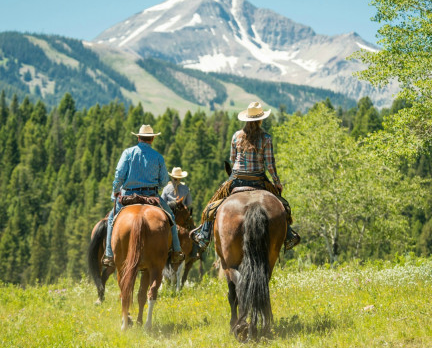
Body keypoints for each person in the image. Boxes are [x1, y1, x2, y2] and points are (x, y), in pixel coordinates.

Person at [191, 101, 300, 252]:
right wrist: (277, 182)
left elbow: (232, 158)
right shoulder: (266, 138)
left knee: (212, 205)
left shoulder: (237, 136)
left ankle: (203, 235)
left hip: (237, 178)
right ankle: (288, 235)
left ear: (247, 119)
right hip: (259, 179)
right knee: (283, 206)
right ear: (260, 119)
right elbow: (270, 164)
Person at [102, 124, 185, 267]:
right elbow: (164, 180)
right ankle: (177, 251)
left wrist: (116, 190)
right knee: (170, 217)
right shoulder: (158, 157)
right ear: (152, 139)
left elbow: (119, 175)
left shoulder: (128, 153)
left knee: (111, 218)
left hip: (128, 195)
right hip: (151, 196)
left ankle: (109, 254)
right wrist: (155, 186)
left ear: (138, 137)